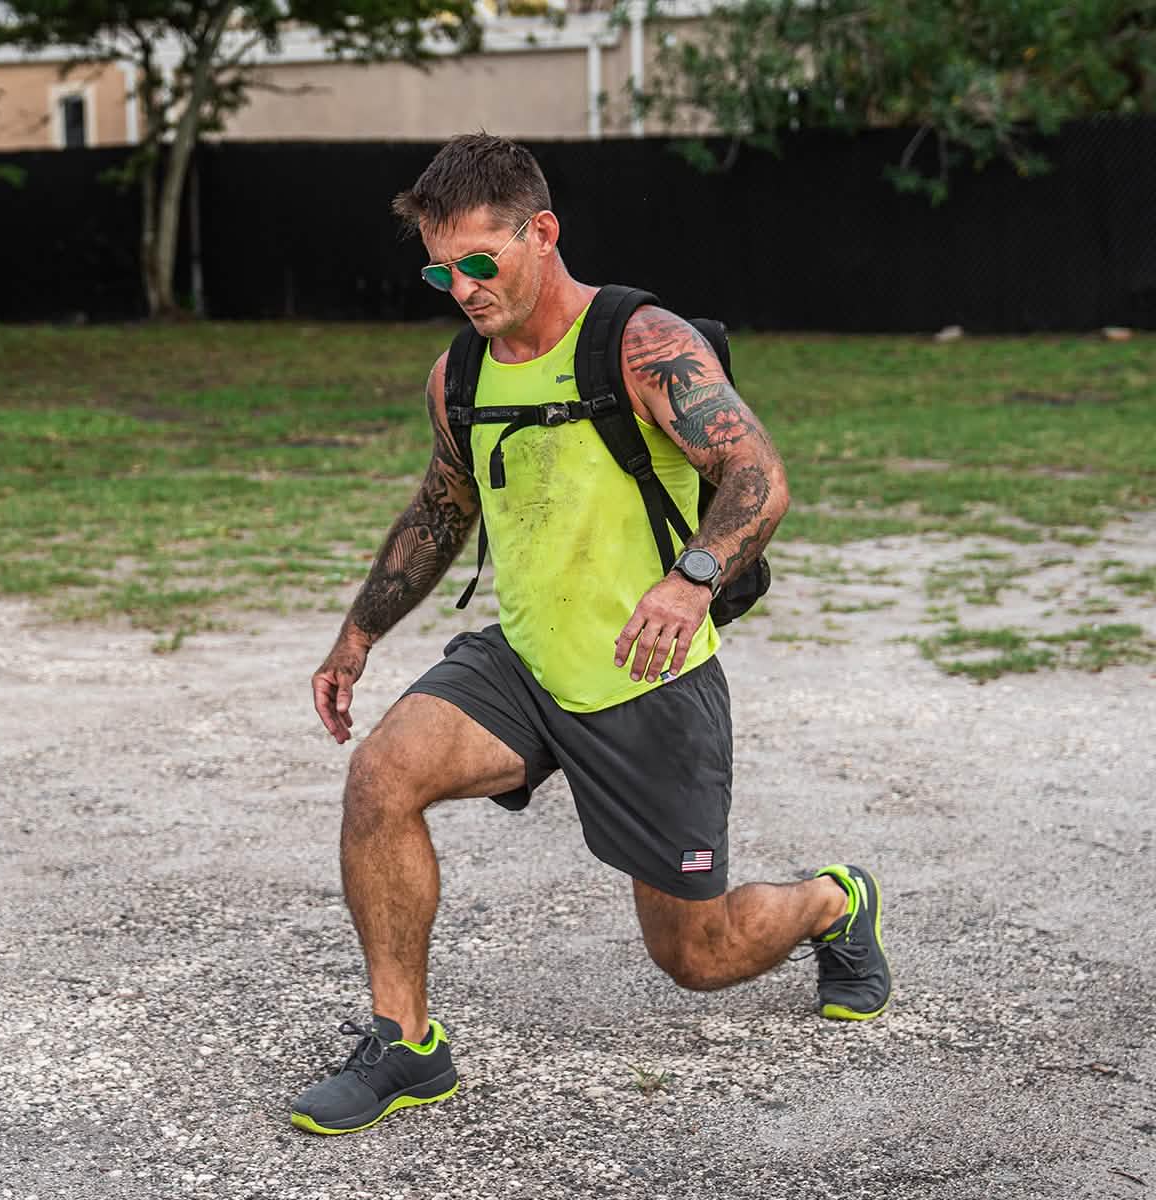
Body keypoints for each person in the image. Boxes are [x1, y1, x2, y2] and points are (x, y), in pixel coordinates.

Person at [290, 133, 890, 1136]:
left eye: (482, 261)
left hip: (650, 679)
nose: (462, 287)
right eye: (442, 269)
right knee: (382, 779)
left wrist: (692, 579)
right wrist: (358, 634)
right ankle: (406, 1044)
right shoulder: (462, 376)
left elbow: (759, 480)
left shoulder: (642, 344)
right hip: (523, 664)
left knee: (698, 957)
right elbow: (443, 508)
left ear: (543, 233)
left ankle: (834, 901)